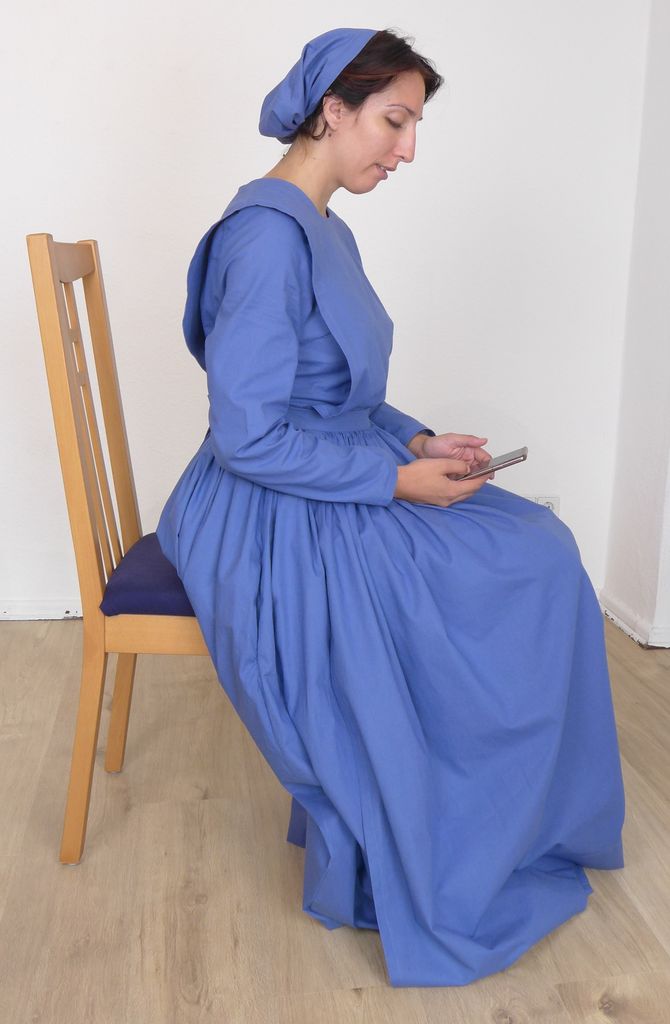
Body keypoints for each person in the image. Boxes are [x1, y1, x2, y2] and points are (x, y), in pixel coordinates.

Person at [156, 26, 626, 988]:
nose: (406, 148)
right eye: (394, 120)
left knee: (531, 538)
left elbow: (349, 396)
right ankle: (446, 817)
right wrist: (392, 481)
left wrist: (414, 441)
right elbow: (248, 436)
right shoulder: (266, 236)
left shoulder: (325, 226)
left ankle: (502, 810)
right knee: (523, 562)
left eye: (413, 125)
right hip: (260, 502)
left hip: (332, 462)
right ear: (334, 110)